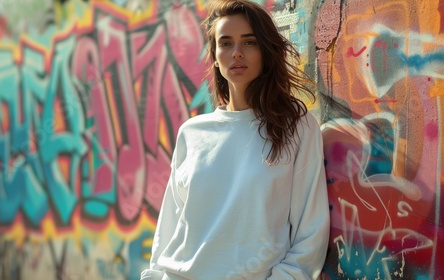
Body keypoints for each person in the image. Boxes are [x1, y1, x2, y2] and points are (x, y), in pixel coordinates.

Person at [141, 0, 330, 279]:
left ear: (265, 51)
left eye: (249, 43)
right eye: (226, 43)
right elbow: (169, 225)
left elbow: (311, 232)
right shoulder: (192, 134)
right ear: (215, 56)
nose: (237, 53)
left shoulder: (297, 128)